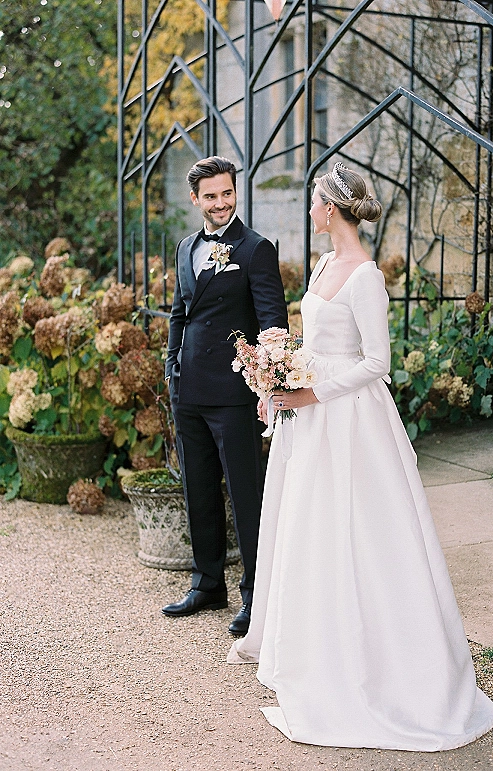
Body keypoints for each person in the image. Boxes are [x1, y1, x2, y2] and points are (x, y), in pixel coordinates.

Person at [227, 162, 493, 749]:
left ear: (332, 207)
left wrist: (303, 391)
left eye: (314, 201)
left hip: (349, 421)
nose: (308, 211)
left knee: (359, 537)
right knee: (309, 533)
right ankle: (310, 650)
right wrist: (274, 377)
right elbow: (320, 343)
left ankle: (381, 671)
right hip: (307, 417)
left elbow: (376, 363)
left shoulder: (366, 275)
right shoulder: (325, 264)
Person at [162, 156, 288, 636]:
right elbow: (180, 311)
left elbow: (273, 321)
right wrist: (172, 363)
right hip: (188, 389)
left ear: (236, 193)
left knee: (245, 494)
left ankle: (255, 594)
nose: (220, 203)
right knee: (198, 488)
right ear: (196, 199)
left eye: (227, 193)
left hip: (236, 395)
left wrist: (268, 382)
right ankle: (207, 581)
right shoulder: (185, 247)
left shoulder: (256, 250)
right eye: (210, 196)